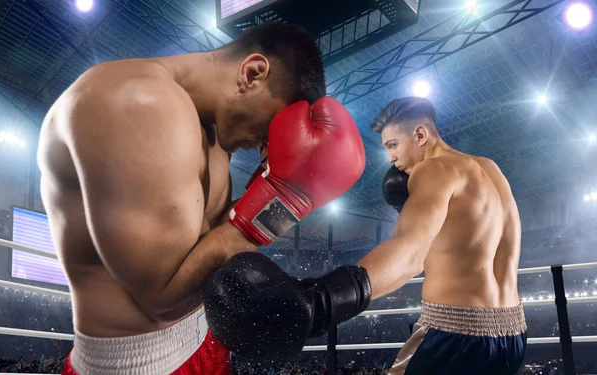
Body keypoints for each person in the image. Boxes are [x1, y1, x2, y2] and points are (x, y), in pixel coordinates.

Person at [38, 22, 365, 374]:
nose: (263, 150)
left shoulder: (213, 128)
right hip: (140, 364)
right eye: (269, 132)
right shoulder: (135, 103)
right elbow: (160, 300)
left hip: (205, 341)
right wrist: (280, 204)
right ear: (253, 72)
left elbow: (209, 250)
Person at [205, 97, 527, 375]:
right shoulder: (489, 169)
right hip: (513, 332)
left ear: (420, 134)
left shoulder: (435, 170)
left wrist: (318, 304)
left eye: (392, 145)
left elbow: (409, 254)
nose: (390, 158)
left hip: (458, 334)